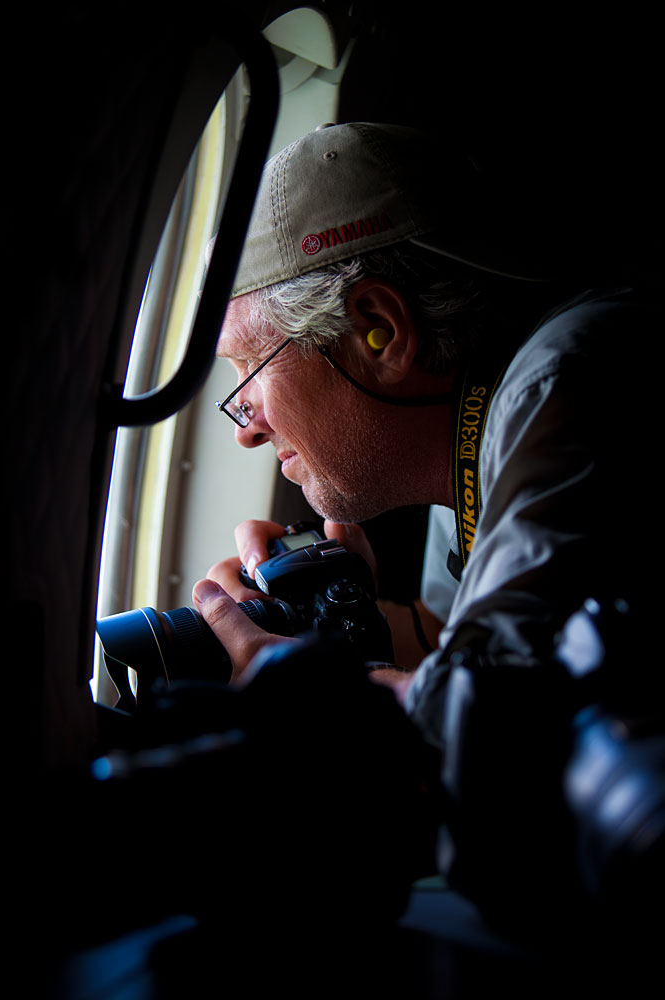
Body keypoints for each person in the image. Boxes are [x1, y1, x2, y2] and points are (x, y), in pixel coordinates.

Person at [191, 121, 659, 751]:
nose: (246, 428)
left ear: (379, 331)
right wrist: (330, 624)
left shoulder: (565, 382)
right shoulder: (466, 437)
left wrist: (290, 680)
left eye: (250, 365)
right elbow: (455, 638)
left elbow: (490, 710)